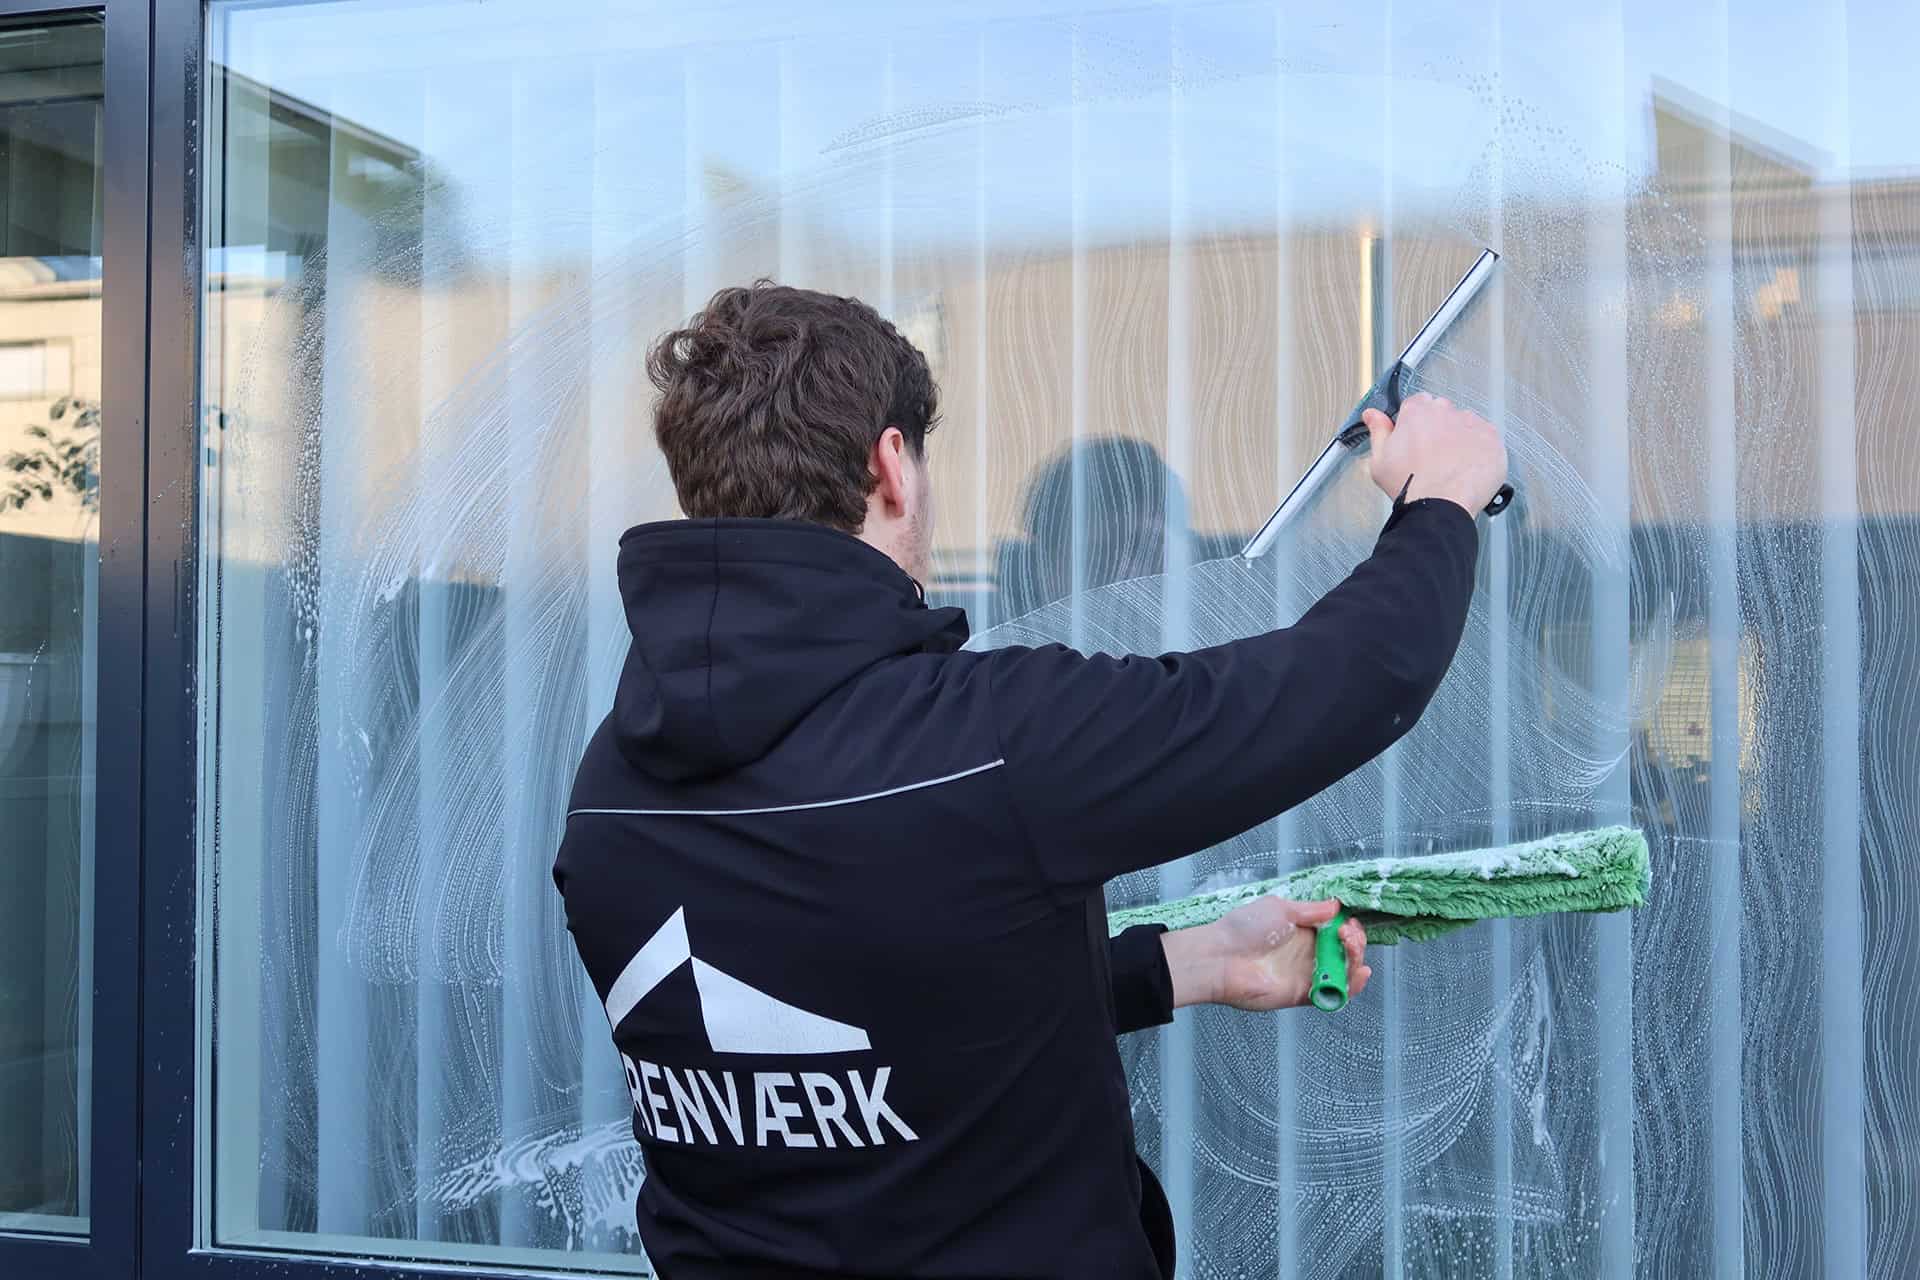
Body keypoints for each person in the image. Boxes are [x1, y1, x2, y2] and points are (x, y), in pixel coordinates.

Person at [554, 282, 1507, 1279]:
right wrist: (1438, 500)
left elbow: (855, 1016)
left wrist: (1185, 965)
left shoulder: (613, 785)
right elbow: (1346, 683)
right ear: (890, 465)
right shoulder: (981, 740)